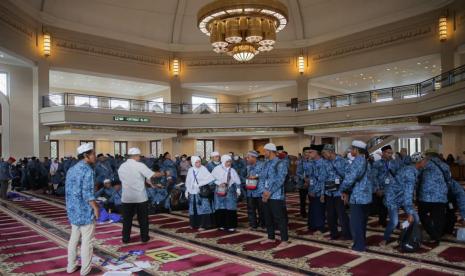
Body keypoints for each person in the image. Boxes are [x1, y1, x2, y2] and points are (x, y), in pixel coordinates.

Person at [65, 143, 99, 275]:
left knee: (73, 239)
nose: (95, 156)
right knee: (87, 241)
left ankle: (71, 266)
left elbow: (68, 191)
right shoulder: (87, 170)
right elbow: (87, 193)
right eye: (93, 154)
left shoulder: (72, 169)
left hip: (73, 209)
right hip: (84, 210)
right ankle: (85, 270)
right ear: (86, 155)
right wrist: (95, 207)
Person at [381, 152, 425, 245]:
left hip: (402, 197)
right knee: (394, 221)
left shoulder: (412, 169)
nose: (425, 162)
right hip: (392, 198)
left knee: (416, 218)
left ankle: (406, 234)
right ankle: (385, 238)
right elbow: (408, 194)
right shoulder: (410, 173)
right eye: (424, 160)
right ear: (419, 162)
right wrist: (409, 213)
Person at [118, 147, 156, 243]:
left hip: (126, 198)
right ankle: (144, 238)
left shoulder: (122, 166)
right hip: (140, 197)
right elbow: (152, 175)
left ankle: (125, 239)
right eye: (139, 156)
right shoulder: (140, 165)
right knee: (143, 219)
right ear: (136, 156)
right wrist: (164, 173)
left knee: (127, 220)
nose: (140, 158)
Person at [341, 140, 372, 252]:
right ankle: (361, 243)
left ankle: (359, 246)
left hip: (357, 197)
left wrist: (343, 189)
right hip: (366, 197)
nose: (350, 150)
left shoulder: (357, 161)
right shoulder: (366, 161)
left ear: (356, 150)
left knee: (356, 223)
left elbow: (350, 179)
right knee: (362, 222)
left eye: (352, 149)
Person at [417, 148, 451, 243]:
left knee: (422, 214)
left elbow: (417, 175)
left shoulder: (425, 164)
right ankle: (437, 235)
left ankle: (432, 233)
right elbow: (449, 180)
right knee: (439, 217)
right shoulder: (445, 165)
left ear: (427, 155)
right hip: (441, 197)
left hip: (426, 197)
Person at [260, 143, 289, 248]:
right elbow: (262, 179)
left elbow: (280, 180)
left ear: (270, 151)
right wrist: (263, 192)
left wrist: (269, 192)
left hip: (276, 196)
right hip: (265, 194)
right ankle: (270, 237)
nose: (264, 153)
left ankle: (284, 239)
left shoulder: (281, 163)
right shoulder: (266, 163)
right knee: (268, 217)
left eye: (265, 151)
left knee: (279, 218)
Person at [322, 144, 351, 240]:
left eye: (325, 153)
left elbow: (348, 177)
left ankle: (346, 234)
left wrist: (346, 192)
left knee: (342, 215)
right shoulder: (325, 162)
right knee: (330, 215)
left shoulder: (343, 161)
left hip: (340, 193)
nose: (323, 155)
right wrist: (322, 193)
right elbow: (324, 178)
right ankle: (334, 234)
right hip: (329, 193)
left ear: (330, 152)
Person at [371, 145, 400, 227]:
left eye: (391, 153)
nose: (390, 155)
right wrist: (377, 189)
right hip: (382, 189)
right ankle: (382, 222)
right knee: (382, 208)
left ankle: (395, 222)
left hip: (392, 189)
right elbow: (373, 177)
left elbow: (398, 174)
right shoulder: (377, 163)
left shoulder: (395, 163)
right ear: (383, 153)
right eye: (388, 153)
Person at [185, 156, 216, 230]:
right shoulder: (190, 170)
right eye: (196, 162)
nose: (199, 163)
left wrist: (199, 184)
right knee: (194, 209)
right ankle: (194, 224)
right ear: (193, 163)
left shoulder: (203, 169)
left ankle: (204, 225)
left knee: (203, 208)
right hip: (192, 192)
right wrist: (187, 190)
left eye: (199, 162)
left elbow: (211, 178)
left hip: (202, 192)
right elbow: (188, 181)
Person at [212, 155, 242, 231]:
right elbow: (211, 179)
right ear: (223, 161)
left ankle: (231, 225)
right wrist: (219, 183)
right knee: (221, 208)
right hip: (220, 190)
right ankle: (221, 225)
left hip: (230, 192)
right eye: (227, 162)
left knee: (230, 208)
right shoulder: (217, 169)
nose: (229, 163)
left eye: (230, 162)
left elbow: (237, 180)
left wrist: (238, 189)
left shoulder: (232, 170)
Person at [307, 144, 327, 233]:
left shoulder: (322, 163)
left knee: (319, 210)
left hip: (319, 192)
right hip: (312, 191)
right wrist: (310, 190)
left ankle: (320, 227)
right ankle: (313, 226)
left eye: (311, 152)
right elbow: (311, 178)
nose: (309, 153)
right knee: (312, 209)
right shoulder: (312, 163)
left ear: (317, 153)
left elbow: (322, 180)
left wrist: (321, 193)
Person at [245, 150, 265, 230]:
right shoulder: (248, 166)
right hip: (250, 191)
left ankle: (262, 224)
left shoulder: (262, 165)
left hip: (259, 191)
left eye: (248, 157)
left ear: (254, 157)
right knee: (251, 209)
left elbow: (265, 175)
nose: (247, 159)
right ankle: (253, 224)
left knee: (261, 209)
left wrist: (257, 176)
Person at [296, 147, 312, 218]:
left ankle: (312, 212)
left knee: (311, 199)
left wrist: (309, 180)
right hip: (302, 183)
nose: (308, 154)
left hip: (311, 183)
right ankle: (303, 213)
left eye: (309, 152)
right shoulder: (300, 162)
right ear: (303, 153)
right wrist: (304, 179)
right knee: (303, 200)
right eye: (306, 152)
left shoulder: (312, 161)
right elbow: (298, 172)